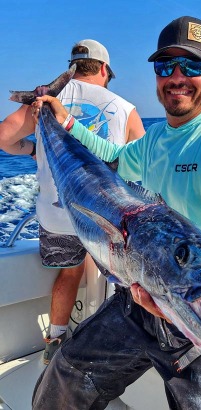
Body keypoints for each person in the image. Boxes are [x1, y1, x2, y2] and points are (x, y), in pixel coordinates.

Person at [32, 16, 201, 410]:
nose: (177, 76)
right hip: (143, 293)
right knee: (64, 376)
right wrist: (66, 121)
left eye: (193, 65)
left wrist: (186, 269)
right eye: (166, 66)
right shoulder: (158, 136)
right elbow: (115, 158)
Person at [0, 39, 145, 365]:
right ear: (105, 69)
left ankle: (54, 340)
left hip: (55, 215)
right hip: (102, 218)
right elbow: (143, 168)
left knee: (69, 273)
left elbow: (3, 139)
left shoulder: (45, 102)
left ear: (73, 66)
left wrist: (33, 148)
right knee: (122, 279)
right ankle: (111, 346)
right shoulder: (125, 108)